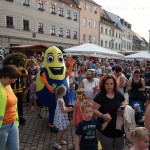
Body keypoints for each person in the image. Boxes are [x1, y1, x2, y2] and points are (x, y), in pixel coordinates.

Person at [93, 75, 125, 150]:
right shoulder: (100, 96)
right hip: (106, 129)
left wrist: (123, 110)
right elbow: (93, 110)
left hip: (118, 129)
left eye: (111, 84)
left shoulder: (118, 95)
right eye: (107, 84)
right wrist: (102, 115)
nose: (109, 86)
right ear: (103, 85)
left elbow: (124, 104)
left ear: (114, 84)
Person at [0, 65, 20, 150]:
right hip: (2, 126)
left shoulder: (8, 86)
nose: (14, 80)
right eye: (12, 78)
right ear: (4, 75)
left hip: (13, 124)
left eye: (15, 78)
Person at [53, 86, 73, 150]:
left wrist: (68, 108)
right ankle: (56, 143)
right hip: (60, 117)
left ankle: (60, 140)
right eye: (65, 91)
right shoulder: (60, 100)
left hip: (62, 116)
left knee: (63, 130)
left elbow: (63, 108)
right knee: (61, 130)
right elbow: (63, 110)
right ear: (62, 92)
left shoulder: (61, 98)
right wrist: (72, 109)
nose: (66, 92)